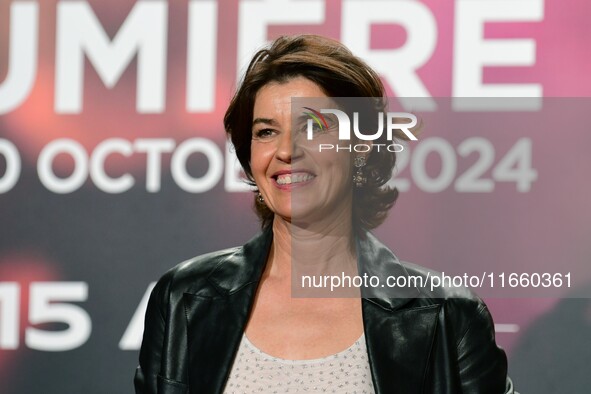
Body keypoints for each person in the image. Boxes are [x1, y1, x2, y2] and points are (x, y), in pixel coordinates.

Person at [134, 35, 514, 394]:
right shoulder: (185, 297)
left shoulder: (447, 316)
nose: (286, 150)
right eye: (266, 132)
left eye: (313, 126)